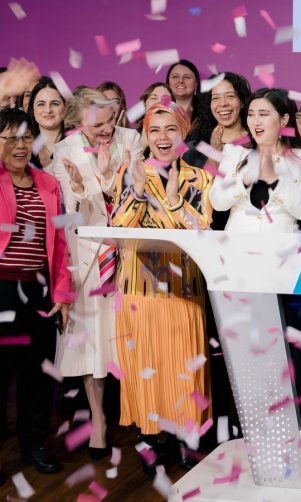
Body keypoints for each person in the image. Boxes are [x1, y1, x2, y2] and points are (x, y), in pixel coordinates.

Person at [109, 103, 212, 474]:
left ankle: (186, 438)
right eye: (155, 130)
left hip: (183, 290)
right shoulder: (129, 171)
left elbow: (200, 228)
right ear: (145, 136)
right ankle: (150, 438)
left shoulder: (200, 179)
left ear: (183, 134)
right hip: (138, 290)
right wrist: (138, 191)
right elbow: (117, 226)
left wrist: (172, 200)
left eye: (171, 129)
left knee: (184, 366)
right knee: (145, 366)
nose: (163, 138)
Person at [51, 88, 143, 461]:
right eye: (97, 125)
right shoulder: (64, 151)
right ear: (77, 124)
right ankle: (99, 421)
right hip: (88, 256)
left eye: (110, 121)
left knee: (131, 338)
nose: (107, 130)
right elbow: (70, 212)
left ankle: (142, 417)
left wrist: (107, 180)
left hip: (129, 253)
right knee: (93, 344)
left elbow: (139, 194)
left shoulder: (131, 139)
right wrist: (80, 186)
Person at [0, 109, 72, 475]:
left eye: (26, 138)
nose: (19, 145)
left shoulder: (47, 183)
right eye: (10, 138)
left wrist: (61, 293)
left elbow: (60, 243)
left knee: (38, 375)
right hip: (2, 289)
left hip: (40, 292)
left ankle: (34, 445)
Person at [211, 88, 301, 233]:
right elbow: (217, 202)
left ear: (283, 120)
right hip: (236, 243)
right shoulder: (234, 152)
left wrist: (275, 182)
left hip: (282, 244)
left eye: (263, 114)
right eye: (251, 115)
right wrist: (243, 180)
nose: (255, 122)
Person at [185, 72, 251, 170]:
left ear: (241, 102)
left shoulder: (258, 141)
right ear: (209, 105)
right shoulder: (196, 148)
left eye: (230, 96)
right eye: (215, 98)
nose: (223, 104)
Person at [27, 77, 66, 170]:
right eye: (41, 104)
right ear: (32, 109)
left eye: (55, 103)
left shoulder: (78, 142)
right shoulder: (23, 145)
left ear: (65, 107)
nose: (48, 110)